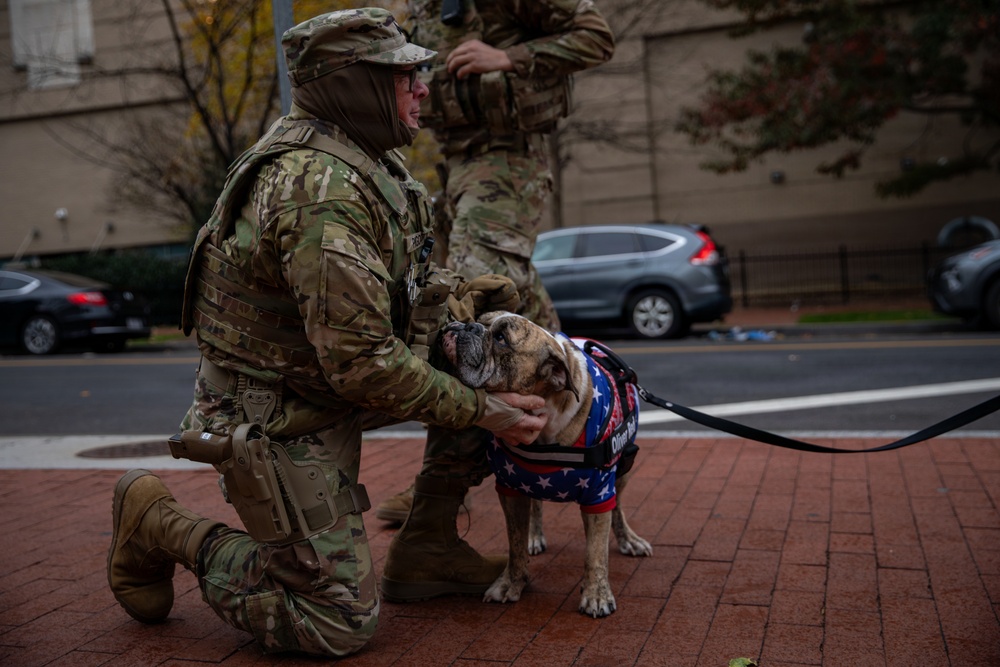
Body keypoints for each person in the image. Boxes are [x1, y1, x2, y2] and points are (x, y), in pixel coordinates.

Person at [105, 8, 548, 659]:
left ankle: (427, 542)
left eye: (420, 71)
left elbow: (380, 305)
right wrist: (490, 413)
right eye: (404, 76)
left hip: (322, 379)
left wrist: (458, 302)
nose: (423, 87)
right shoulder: (322, 194)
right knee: (334, 621)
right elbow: (365, 365)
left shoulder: (366, 158)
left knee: (481, 367)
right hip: (275, 412)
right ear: (353, 85)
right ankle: (160, 525)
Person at [376, 0, 615, 597]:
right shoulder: (420, 10)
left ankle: (435, 512)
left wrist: (511, 56)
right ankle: (581, 426)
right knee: (515, 316)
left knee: (473, 318)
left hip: (507, 162)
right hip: (457, 166)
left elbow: (596, 36)